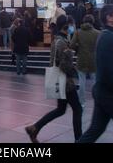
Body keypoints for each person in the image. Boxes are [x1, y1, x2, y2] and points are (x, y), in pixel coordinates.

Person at [77, 4, 113, 143]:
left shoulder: (112, 35)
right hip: (112, 95)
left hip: (105, 92)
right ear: (109, 18)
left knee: (96, 129)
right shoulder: (107, 37)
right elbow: (106, 71)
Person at [25, 15, 83, 143]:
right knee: (78, 109)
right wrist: (73, 70)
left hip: (59, 80)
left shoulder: (57, 40)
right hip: (65, 82)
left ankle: (35, 127)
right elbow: (63, 64)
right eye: (72, 25)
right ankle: (79, 139)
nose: (73, 27)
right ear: (66, 26)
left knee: (61, 110)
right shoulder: (61, 42)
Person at [70, 14, 100, 107]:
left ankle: (82, 102)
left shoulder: (78, 32)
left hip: (81, 59)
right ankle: (97, 101)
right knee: (95, 81)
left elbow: (72, 45)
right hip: (94, 60)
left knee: (82, 82)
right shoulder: (98, 33)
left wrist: (78, 47)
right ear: (92, 21)